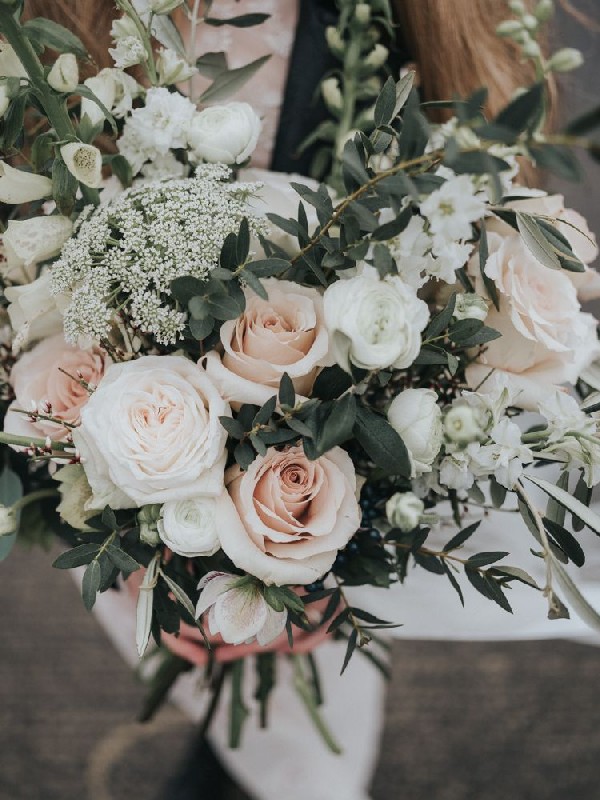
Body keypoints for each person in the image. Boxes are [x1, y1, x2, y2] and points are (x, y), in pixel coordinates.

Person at [16, 1, 600, 798]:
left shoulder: (419, 27)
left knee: (280, 760)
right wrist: (135, 535)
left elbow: (450, 282)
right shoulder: (53, 26)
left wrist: (314, 569)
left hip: (329, 477)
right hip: (128, 457)